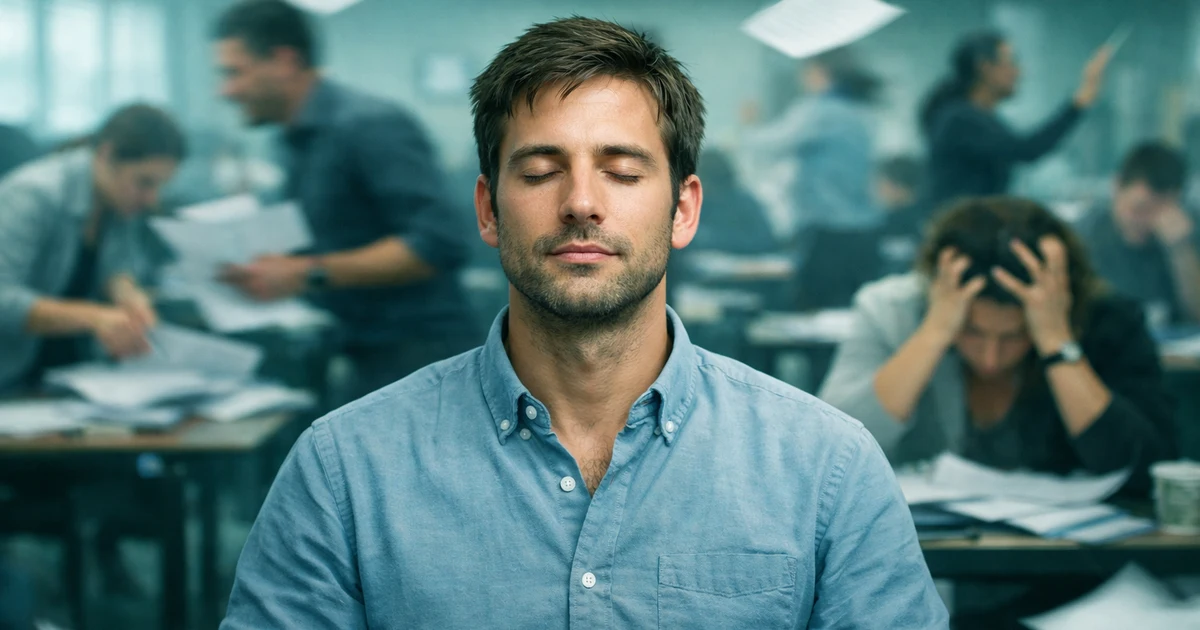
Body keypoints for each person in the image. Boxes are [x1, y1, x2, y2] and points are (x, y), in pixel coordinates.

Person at [220, 17, 948, 629]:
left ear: (684, 209)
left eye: (623, 172)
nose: (581, 203)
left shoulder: (826, 467)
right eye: (540, 171)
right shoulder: (345, 470)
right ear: (487, 210)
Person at [212, 0, 477, 402]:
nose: (225, 91)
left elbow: (439, 242)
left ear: (284, 61)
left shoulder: (368, 125)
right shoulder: (292, 142)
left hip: (419, 362)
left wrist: (306, 272)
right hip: (357, 354)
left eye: (235, 73)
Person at [819, 196, 1175, 495]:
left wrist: (1055, 340)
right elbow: (831, 452)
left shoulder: (1105, 319)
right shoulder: (892, 309)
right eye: (972, 332)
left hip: (1073, 564)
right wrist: (936, 331)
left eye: (1014, 337)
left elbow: (1143, 471)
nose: (990, 360)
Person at [0, 104, 185, 392]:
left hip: (65, 382)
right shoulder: (33, 195)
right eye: (145, 182)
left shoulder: (117, 203)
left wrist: (127, 295)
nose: (152, 198)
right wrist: (94, 317)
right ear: (106, 155)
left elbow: (115, 266)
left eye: (160, 186)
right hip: (11, 384)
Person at [920, 31, 1111, 213]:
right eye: (1011, 61)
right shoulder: (961, 120)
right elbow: (1027, 149)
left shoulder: (977, 119)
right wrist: (1078, 103)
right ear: (985, 67)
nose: (1019, 71)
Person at [742, 46, 881, 240]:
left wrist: (750, 126)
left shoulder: (819, 111)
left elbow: (774, 145)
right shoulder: (861, 111)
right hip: (860, 220)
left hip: (825, 220)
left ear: (819, 71)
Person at [1076, 141, 1200, 328]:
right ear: (1117, 187)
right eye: (1139, 209)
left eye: (1161, 212)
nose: (1148, 222)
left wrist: (1181, 251)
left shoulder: (1188, 231)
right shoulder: (1085, 235)